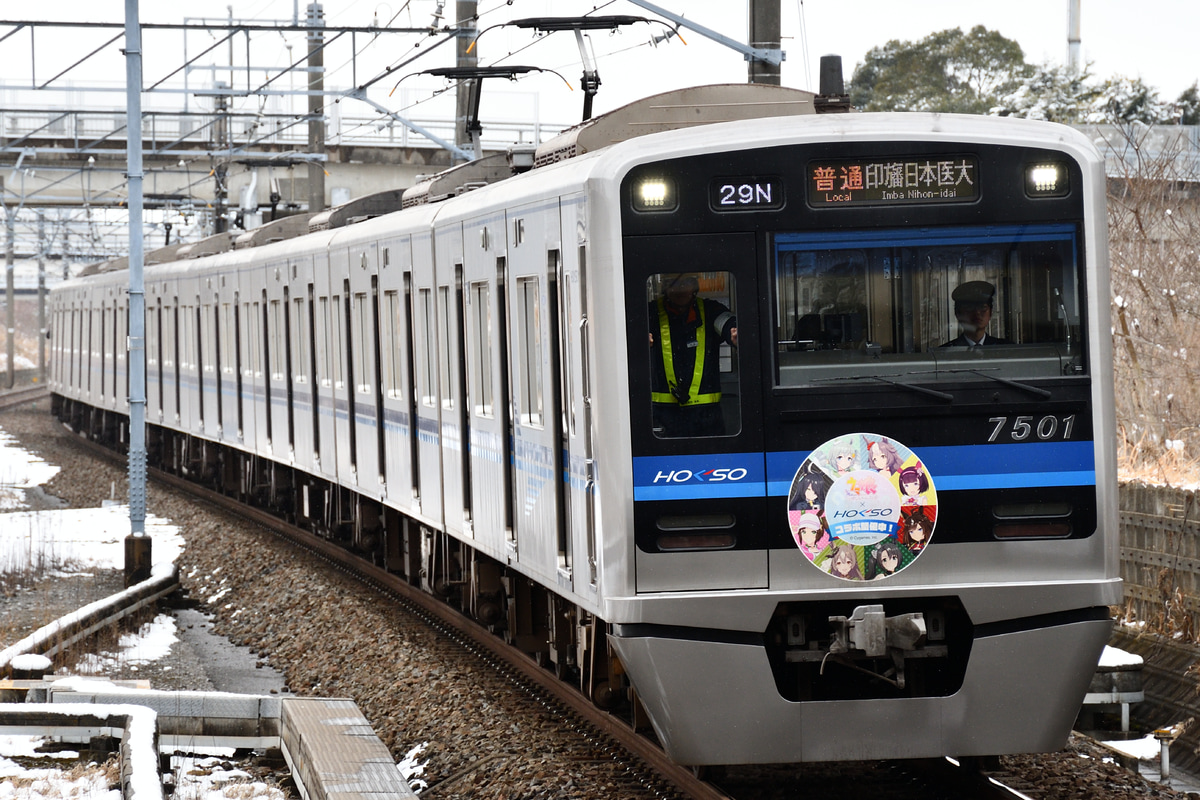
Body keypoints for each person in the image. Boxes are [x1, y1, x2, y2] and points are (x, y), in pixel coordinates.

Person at [648, 273, 738, 437]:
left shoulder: (711, 310)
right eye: (674, 284)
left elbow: (726, 322)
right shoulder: (650, 312)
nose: (680, 289)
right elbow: (629, 334)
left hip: (707, 418)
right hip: (663, 418)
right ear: (665, 288)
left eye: (686, 283)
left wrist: (734, 331)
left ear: (694, 287)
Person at [941, 280, 1012, 347]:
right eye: (970, 307)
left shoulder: (1004, 348)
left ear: (990, 312)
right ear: (957, 313)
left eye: (983, 307)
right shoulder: (946, 352)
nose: (977, 312)